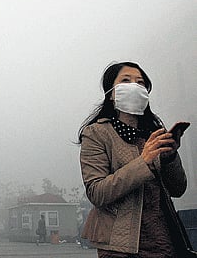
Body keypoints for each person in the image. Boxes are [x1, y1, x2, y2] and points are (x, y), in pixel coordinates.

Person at [79, 61, 188, 258]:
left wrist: (170, 157)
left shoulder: (153, 134)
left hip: (163, 242)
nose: (134, 86)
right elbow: (96, 192)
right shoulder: (96, 133)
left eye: (140, 83)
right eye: (126, 81)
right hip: (120, 246)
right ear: (111, 93)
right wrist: (143, 162)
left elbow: (178, 189)